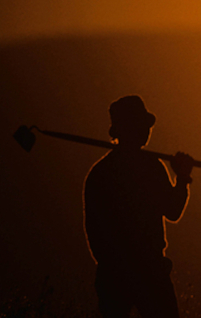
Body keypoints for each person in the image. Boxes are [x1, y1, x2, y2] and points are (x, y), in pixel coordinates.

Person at [83, 95, 194, 318]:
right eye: (141, 125)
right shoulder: (150, 168)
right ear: (130, 128)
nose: (147, 130)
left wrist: (110, 266)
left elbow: (93, 232)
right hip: (148, 272)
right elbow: (173, 211)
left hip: (115, 274)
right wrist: (181, 178)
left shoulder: (100, 172)